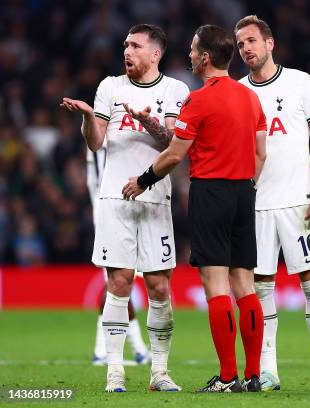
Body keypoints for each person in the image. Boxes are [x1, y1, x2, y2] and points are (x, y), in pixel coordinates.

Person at [122, 24, 267, 393]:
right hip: (244, 193)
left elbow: (174, 155)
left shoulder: (197, 101)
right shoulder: (250, 97)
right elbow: (261, 152)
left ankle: (228, 377)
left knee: (216, 287)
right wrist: (246, 182)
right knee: (245, 287)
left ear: (205, 57)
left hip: (211, 194)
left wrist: (142, 180)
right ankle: (253, 376)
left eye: (191, 49)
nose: (188, 55)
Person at [61, 23, 189, 393]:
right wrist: (88, 117)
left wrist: (149, 121)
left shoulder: (175, 90)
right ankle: (114, 371)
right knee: (118, 283)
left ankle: (160, 372)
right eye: (125, 45)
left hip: (155, 199)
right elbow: (96, 143)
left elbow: (173, 143)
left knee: (159, 286)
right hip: (115, 199)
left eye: (135, 46)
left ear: (155, 53)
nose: (127, 51)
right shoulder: (109, 87)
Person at [234, 15, 310, 392]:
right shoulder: (238, 91)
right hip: (256, 205)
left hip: (300, 201)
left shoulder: (301, 82)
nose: (246, 48)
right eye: (240, 44)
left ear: (270, 43)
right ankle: (268, 372)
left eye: (251, 40)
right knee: (261, 289)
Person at [87, 144, 151, 367]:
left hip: (111, 205)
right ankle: (130, 349)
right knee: (117, 282)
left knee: (118, 281)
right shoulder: (107, 137)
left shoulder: (99, 134)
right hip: (112, 207)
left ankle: (103, 349)